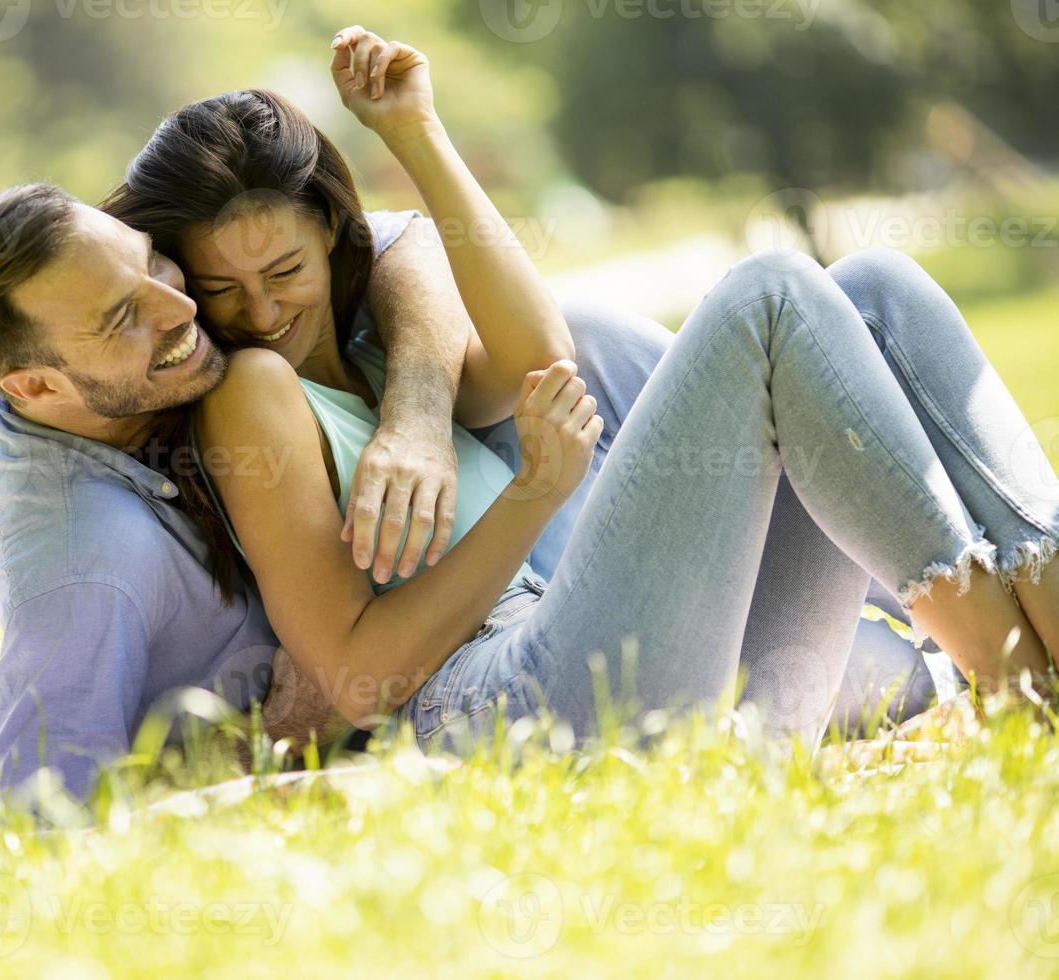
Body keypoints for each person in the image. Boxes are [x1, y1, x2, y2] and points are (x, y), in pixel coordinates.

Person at [182, 27, 1059, 748]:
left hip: (652, 681)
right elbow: (354, 678)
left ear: (335, 236)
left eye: (284, 270)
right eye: (220, 290)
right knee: (772, 297)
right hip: (501, 703)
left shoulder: (386, 358)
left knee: (874, 287)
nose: (258, 310)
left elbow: (537, 355)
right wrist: (530, 497)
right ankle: (1019, 686)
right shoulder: (251, 390)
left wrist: (413, 131)